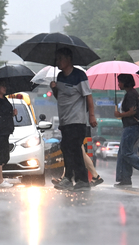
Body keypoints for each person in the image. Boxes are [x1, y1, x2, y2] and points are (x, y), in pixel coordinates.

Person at [50, 47, 98, 192]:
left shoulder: (80, 75)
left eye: (60, 58)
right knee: (67, 148)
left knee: (73, 148)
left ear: (69, 59)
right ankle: (75, 179)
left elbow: (88, 96)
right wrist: (54, 89)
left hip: (77, 120)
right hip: (64, 120)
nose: (57, 62)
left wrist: (91, 115)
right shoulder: (59, 77)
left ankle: (76, 179)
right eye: (56, 59)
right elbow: (60, 98)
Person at [113, 74, 139, 187]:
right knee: (123, 152)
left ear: (125, 82)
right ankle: (125, 178)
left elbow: (133, 111)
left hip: (131, 127)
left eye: (120, 82)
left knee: (126, 152)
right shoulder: (130, 93)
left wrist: (120, 114)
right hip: (130, 127)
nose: (118, 84)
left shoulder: (131, 94)